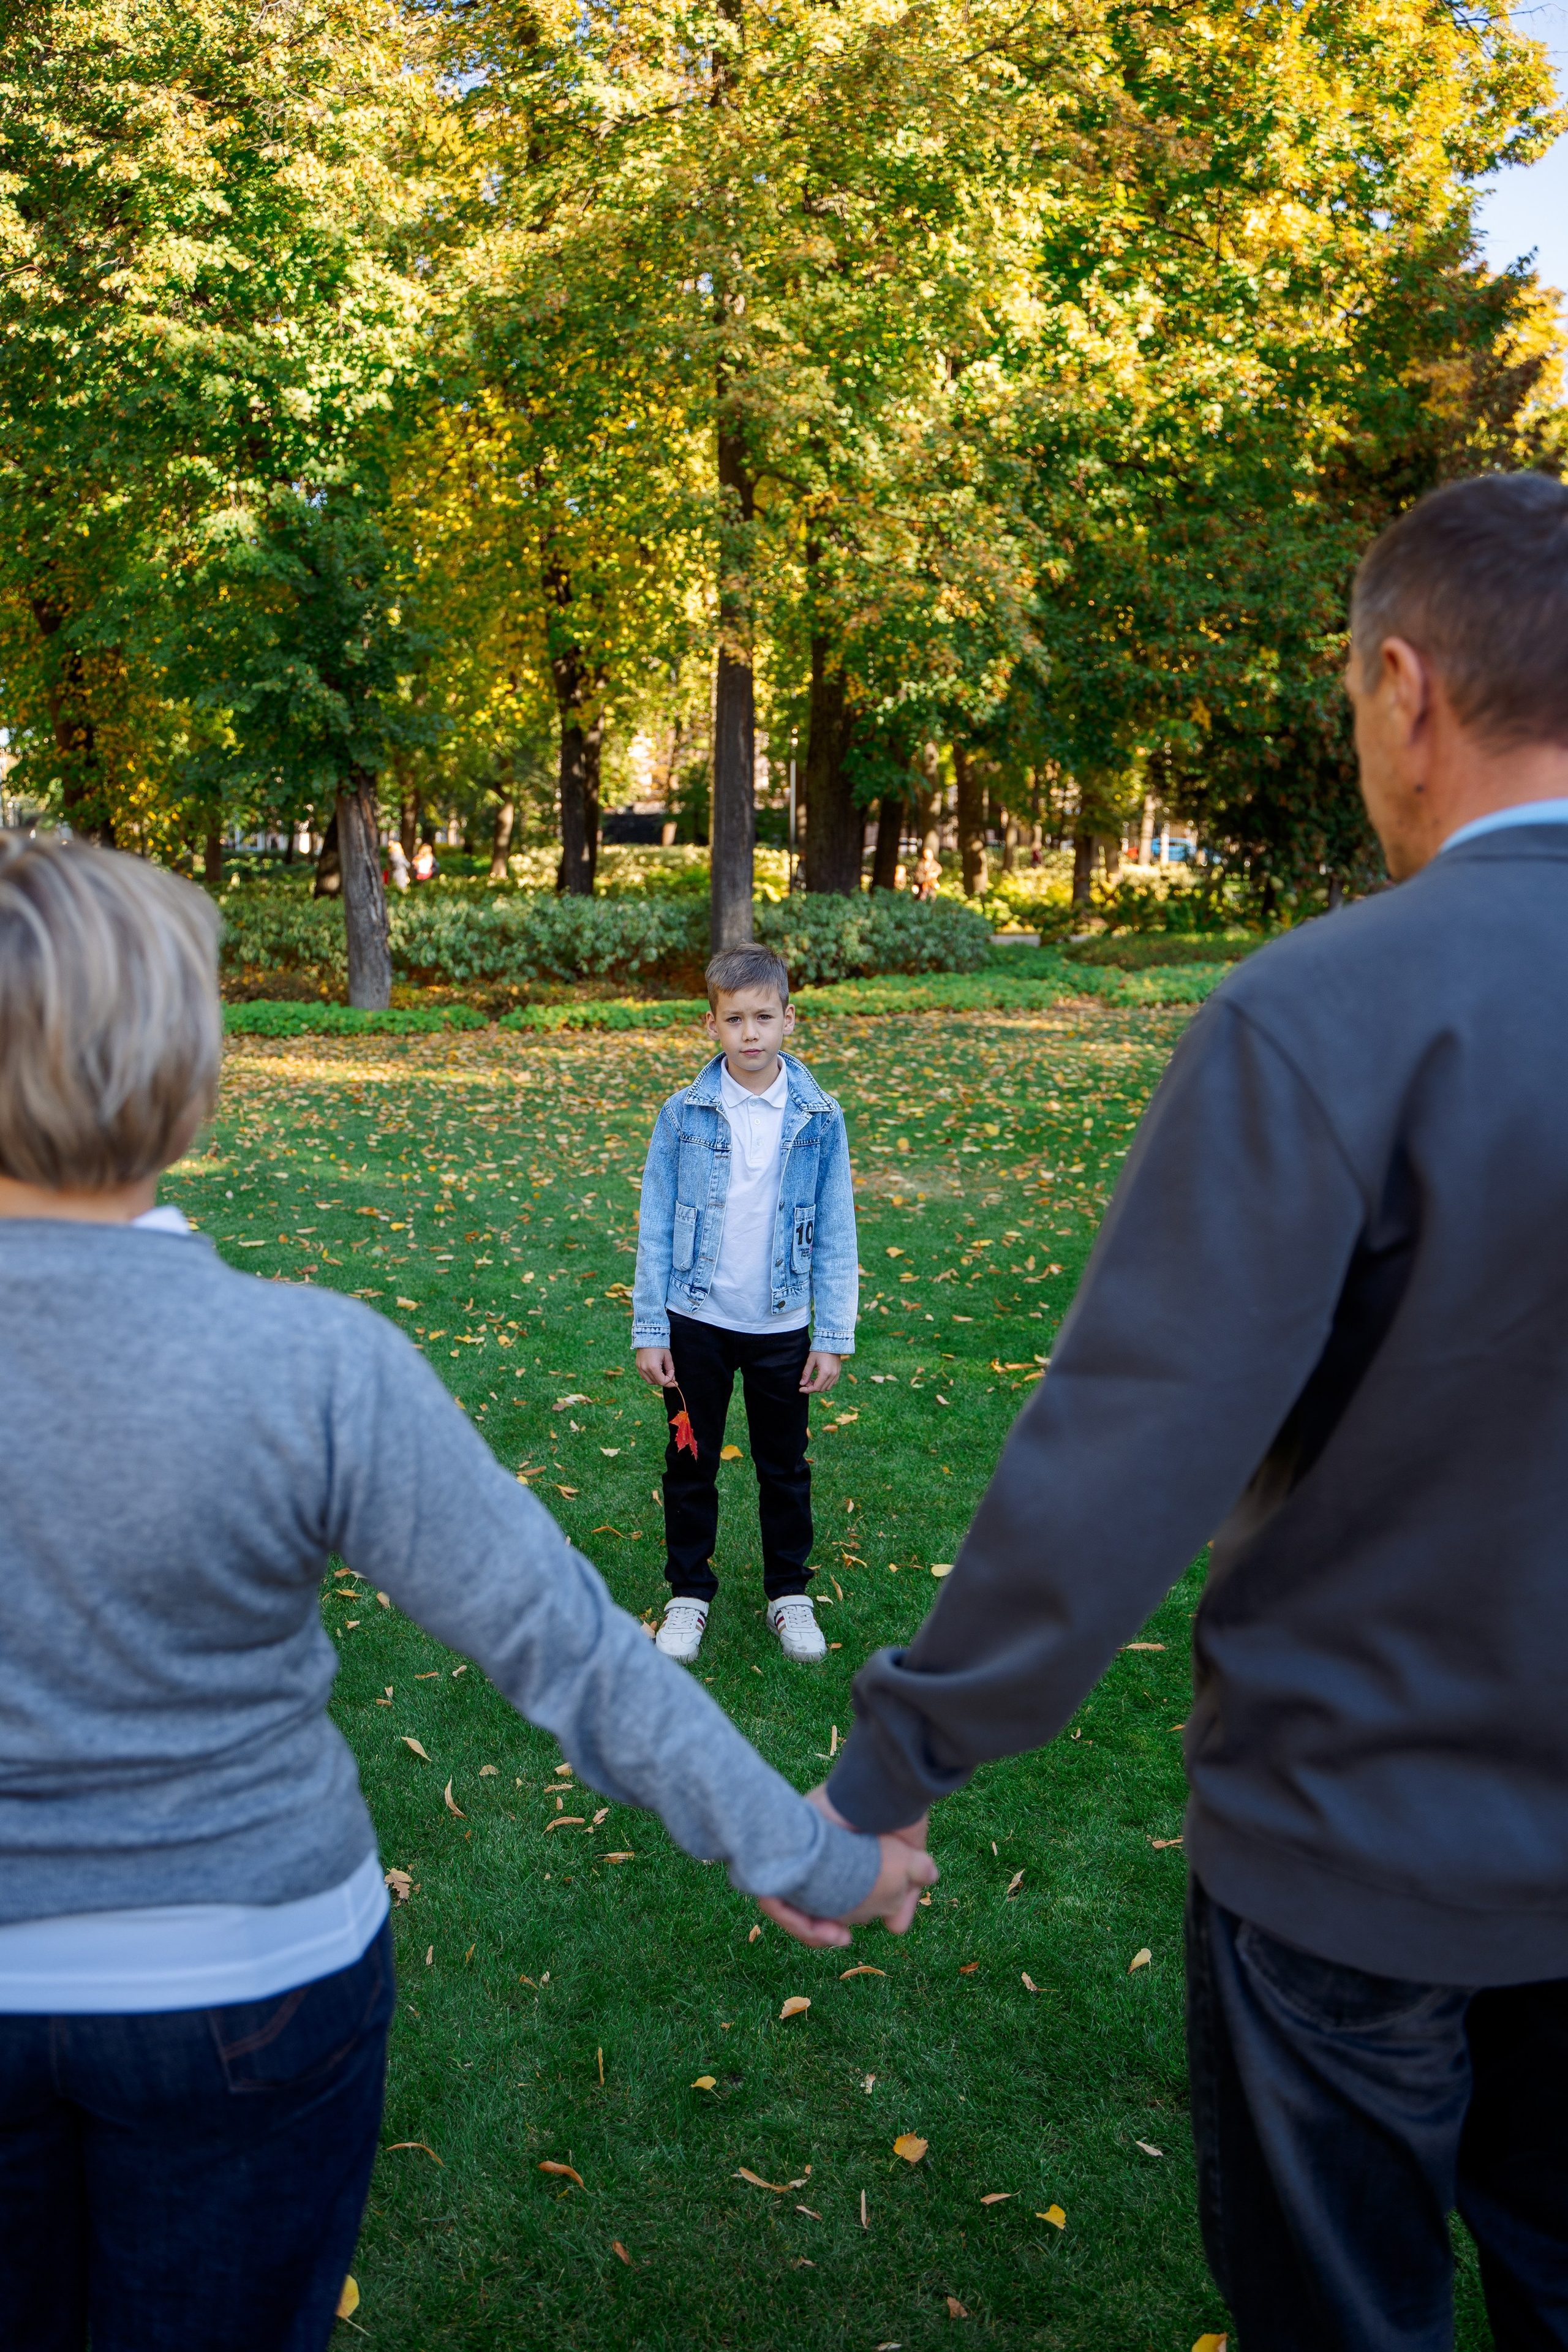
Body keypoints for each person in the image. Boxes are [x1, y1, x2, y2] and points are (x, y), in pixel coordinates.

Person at [816, 472, 1568, 2351]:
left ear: (1404, 689)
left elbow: (1123, 1455)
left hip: (1353, 1858)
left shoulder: (1324, 1011)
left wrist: (893, 1766)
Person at [0, 838, 933, 2352]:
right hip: (250, 1992)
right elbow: (565, 1647)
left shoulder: (320, 1371)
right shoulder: (315, 1363)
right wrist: (808, 1851)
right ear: (190, 1077)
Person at [632, 943, 857, 1667]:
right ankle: (688, 1595)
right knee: (688, 1460)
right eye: (735, 1020)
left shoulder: (820, 1117)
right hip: (695, 1322)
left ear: (790, 1019)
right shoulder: (684, 1114)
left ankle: (788, 1594)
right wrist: (650, 1326)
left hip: (782, 1328)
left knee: (783, 1466)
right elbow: (656, 1223)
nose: (751, 1033)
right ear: (712, 1026)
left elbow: (835, 1231)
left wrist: (831, 1332)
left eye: (765, 1017)